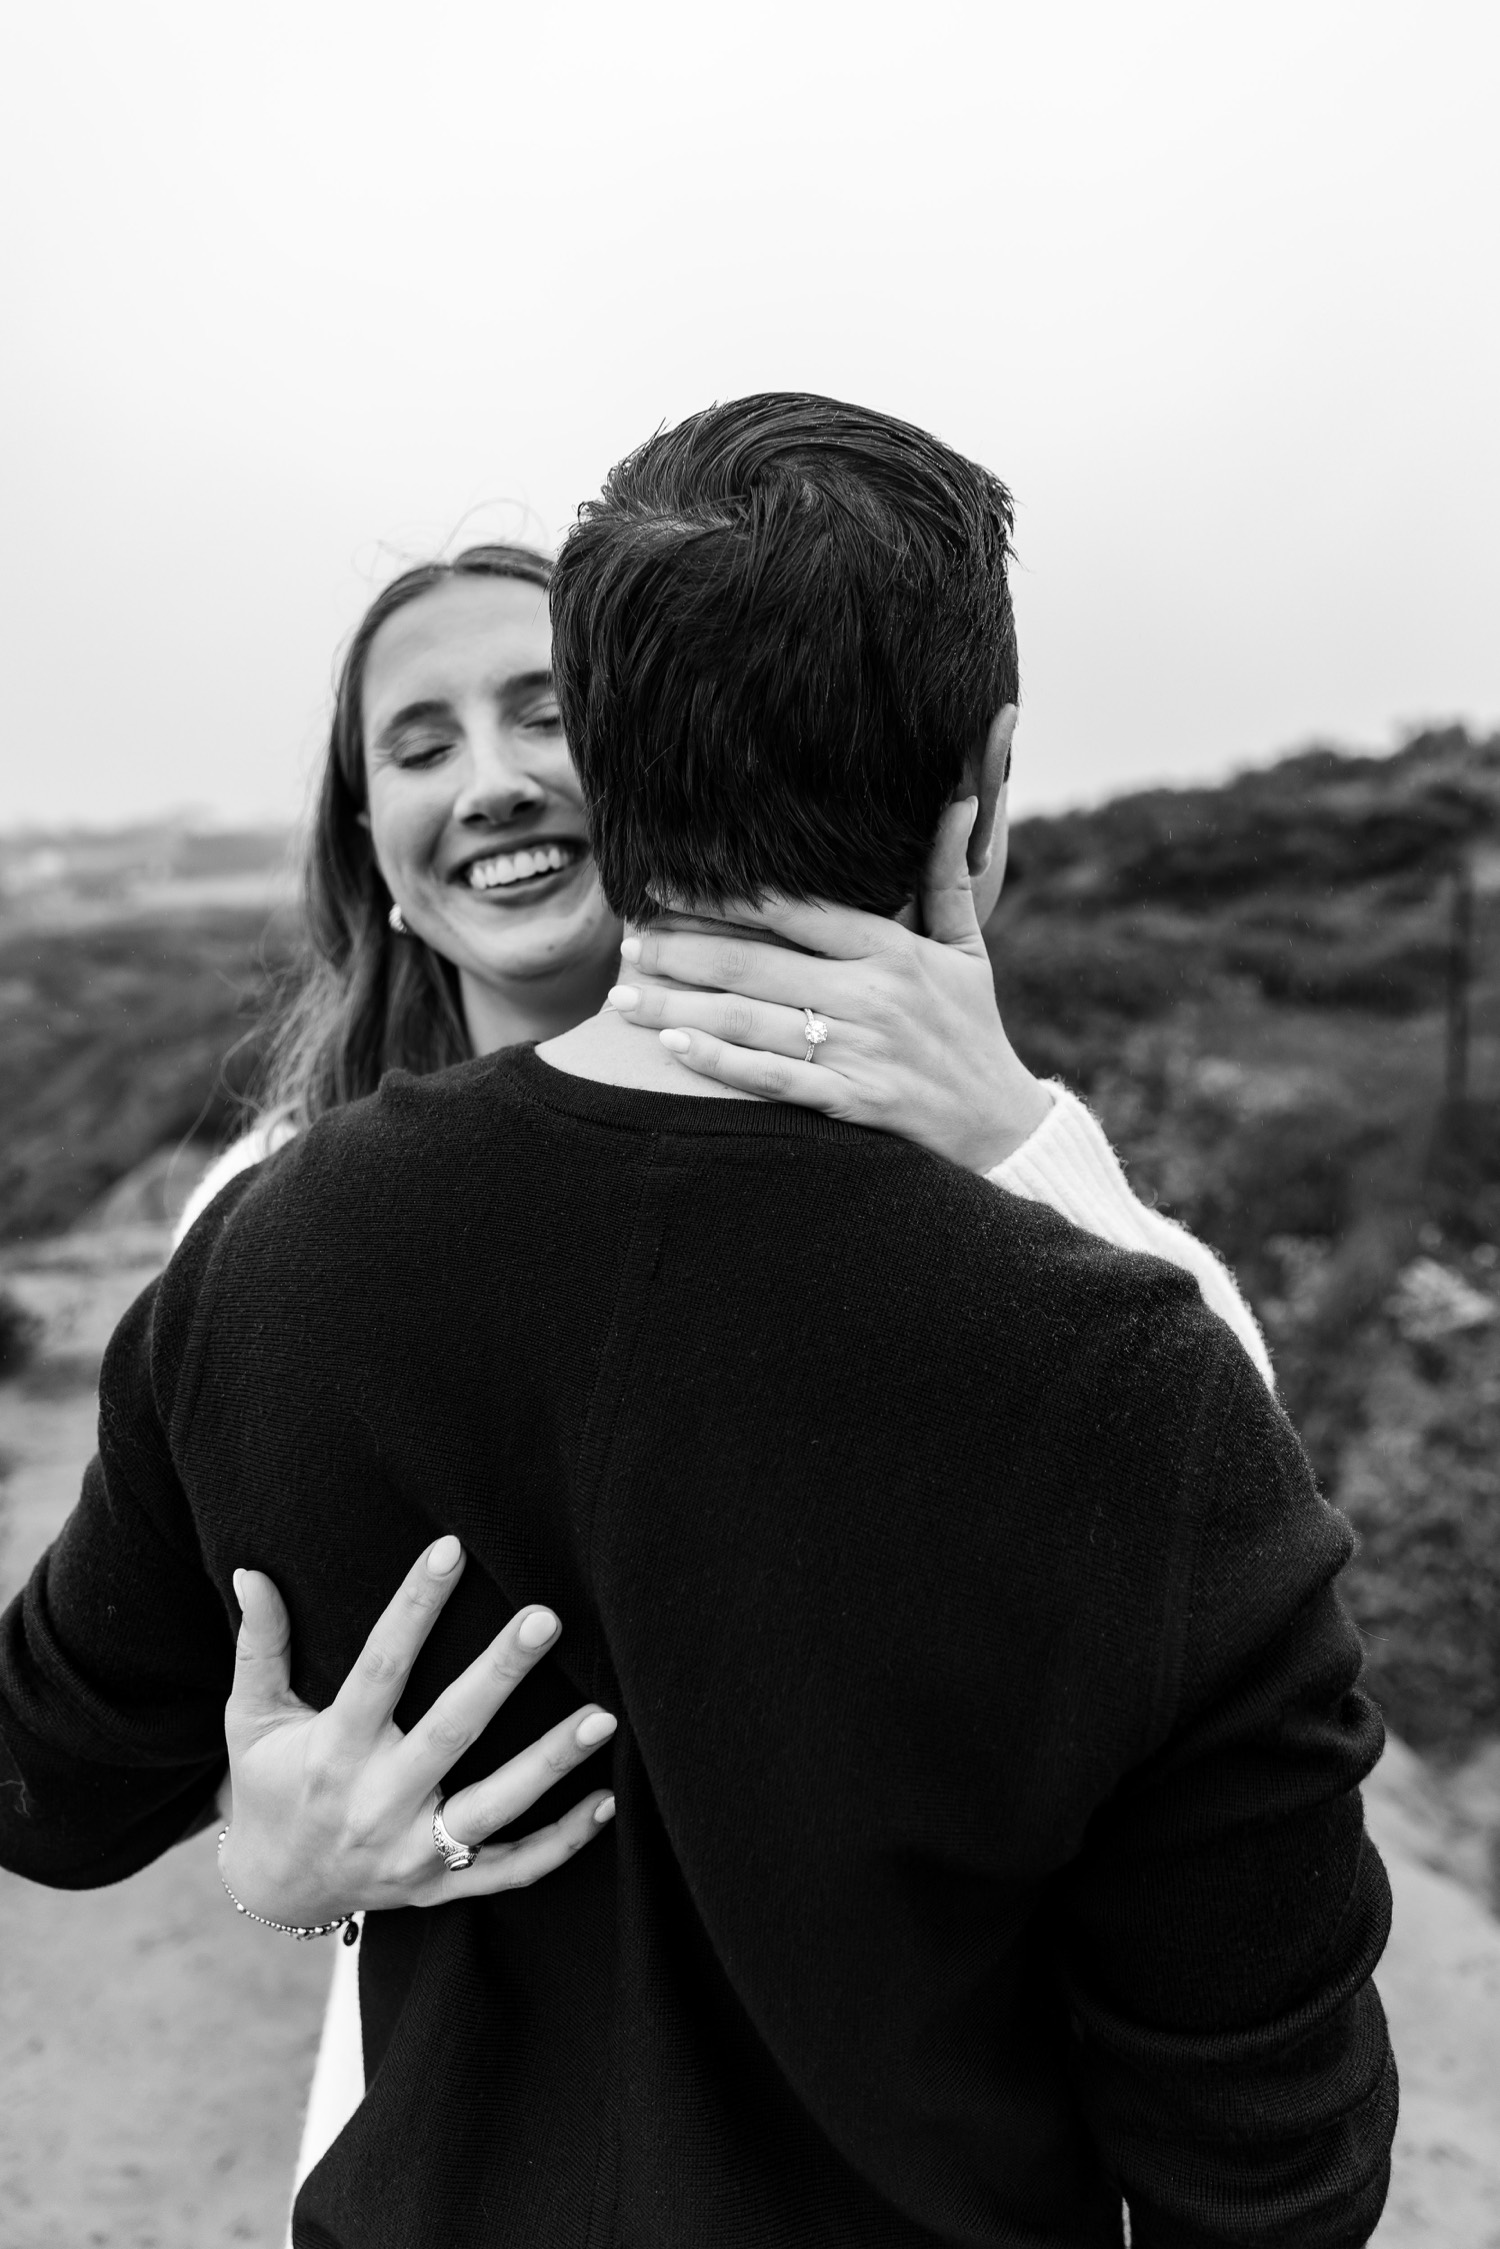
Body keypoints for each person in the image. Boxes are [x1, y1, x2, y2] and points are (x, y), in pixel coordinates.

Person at [0, 394, 1395, 2247]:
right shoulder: (1128, 1374)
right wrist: (285, 1860)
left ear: (631, 775)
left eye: (540, 714)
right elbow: (1272, 2168)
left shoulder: (271, 1258)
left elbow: (55, 1772)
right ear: (978, 807)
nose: (490, 783)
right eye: (416, 744)